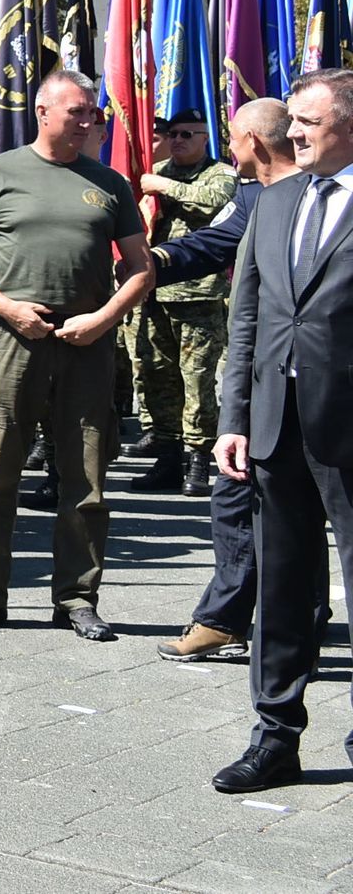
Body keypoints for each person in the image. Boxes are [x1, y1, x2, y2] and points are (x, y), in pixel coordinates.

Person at [0, 69, 153, 640]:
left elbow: (140, 269)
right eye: (77, 111)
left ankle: (77, 599)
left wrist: (102, 319)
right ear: (42, 110)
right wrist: (5, 307)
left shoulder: (109, 183)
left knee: (85, 477)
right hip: (12, 339)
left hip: (87, 343)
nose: (87, 122)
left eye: (93, 113)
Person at [206, 71, 353, 793]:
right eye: (292, 121)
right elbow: (249, 317)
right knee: (285, 587)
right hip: (274, 429)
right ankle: (274, 737)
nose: (292, 134)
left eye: (309, 122)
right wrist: (234, 420)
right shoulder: (274, 199)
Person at [143, 97, 292, 666]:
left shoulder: (332, 195)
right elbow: (211, 243)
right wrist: (151, 259)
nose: (228, 148)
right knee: (234, 496)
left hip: (321, 381)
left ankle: (297, 616)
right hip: (257, 379)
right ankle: (224, 620)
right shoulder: (252, 196)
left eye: (232, 137)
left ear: (252, 141)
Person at [133, 109, 236, 495]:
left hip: (198, 297)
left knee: (196, 381)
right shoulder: (157, 172)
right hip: (154, 294)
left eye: (187, 134)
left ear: (205, 138)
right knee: (158, 377)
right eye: (172, 134)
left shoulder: (219, 173)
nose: (177, 141)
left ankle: (198, 459)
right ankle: (168, 456)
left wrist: (165, 186)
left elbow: (216, 204)